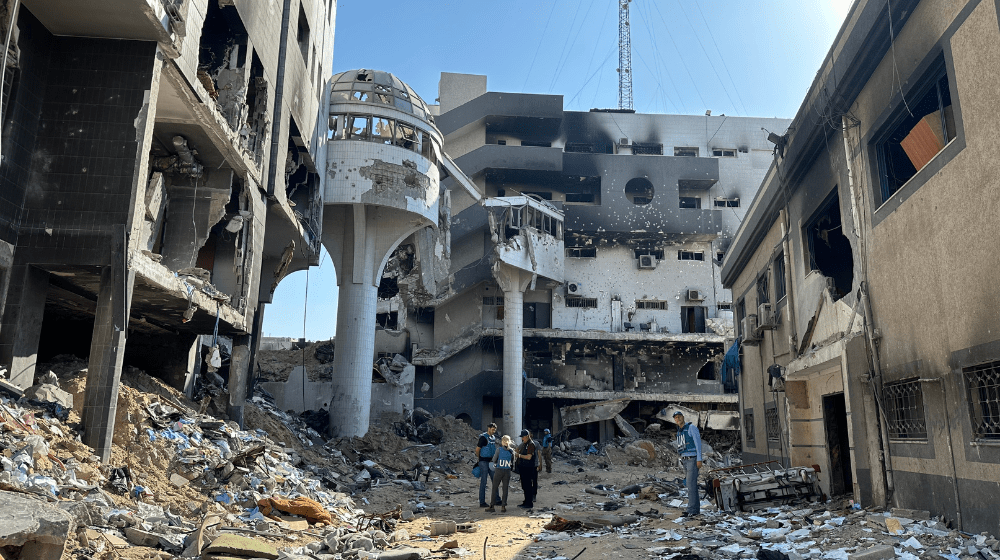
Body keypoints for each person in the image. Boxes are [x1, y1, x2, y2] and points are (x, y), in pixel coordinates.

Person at [673, 411, 703, 517]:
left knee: (691, 484)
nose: (678, 419)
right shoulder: (679, 431)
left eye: (679, 416)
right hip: (685, 459)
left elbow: (698, 443)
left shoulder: (691, 428)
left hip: (692, 459)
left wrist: (699, 459)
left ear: (683, 417)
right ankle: (693, 509)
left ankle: (692, 510)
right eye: (676, 417)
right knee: (689, 485)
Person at [486, 435, 516, 513]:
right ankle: (503, 506)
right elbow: (513, 462)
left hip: (499, 470)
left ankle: (492, 505)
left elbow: (494, 460)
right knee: (505, 489)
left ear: (502, 442)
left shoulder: (498, 450)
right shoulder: (512, 451)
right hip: (507, 471)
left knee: (495, 487)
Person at [475, 423, 497, 507]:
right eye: (492, 429)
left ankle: (497, 499)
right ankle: (482, 502)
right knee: (483, 482)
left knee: (495, 480)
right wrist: (479, 458)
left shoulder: (493, 438)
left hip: (491, 462)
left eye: (495, 429)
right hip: (483, 462)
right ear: (488, 428)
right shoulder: (483, 437)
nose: (494, 431)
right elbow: (477, 449)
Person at [516, 429, 538, 509]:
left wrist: (519, 456)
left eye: (523, 437)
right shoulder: (524, 444)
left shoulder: (531, 445)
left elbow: (529, 457)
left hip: (528, 468)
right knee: (525, 486)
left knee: (528, 486)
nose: (522, 439)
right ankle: (526, 501)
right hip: (524, 468)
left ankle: (529, 503)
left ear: (527, 436)